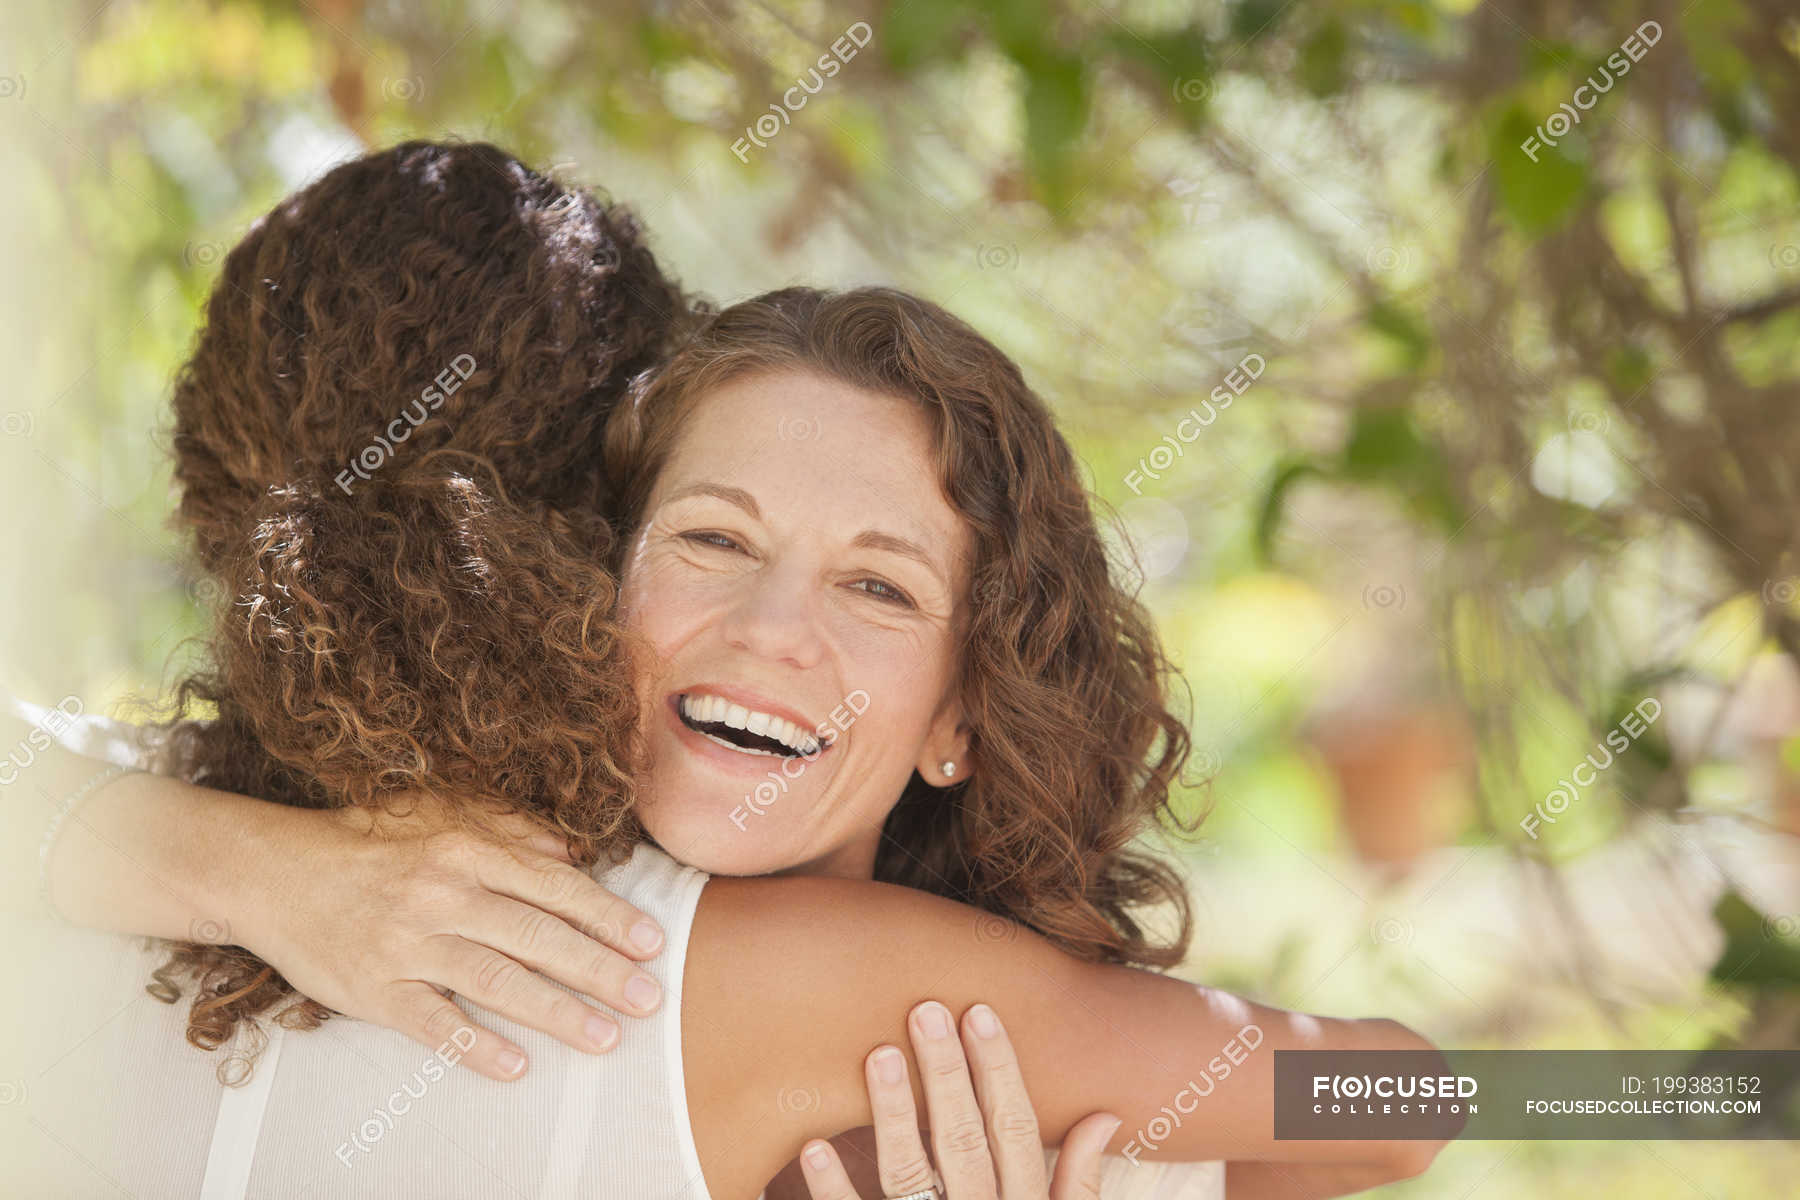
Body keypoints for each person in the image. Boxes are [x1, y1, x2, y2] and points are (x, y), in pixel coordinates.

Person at [7, 144, 1447, 1198]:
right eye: (710, 539)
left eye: (879, 583)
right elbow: (1414, 1096)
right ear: (593, 550)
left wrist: (235, 867)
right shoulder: (770, 987)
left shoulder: (90, 837)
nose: (774, 630)